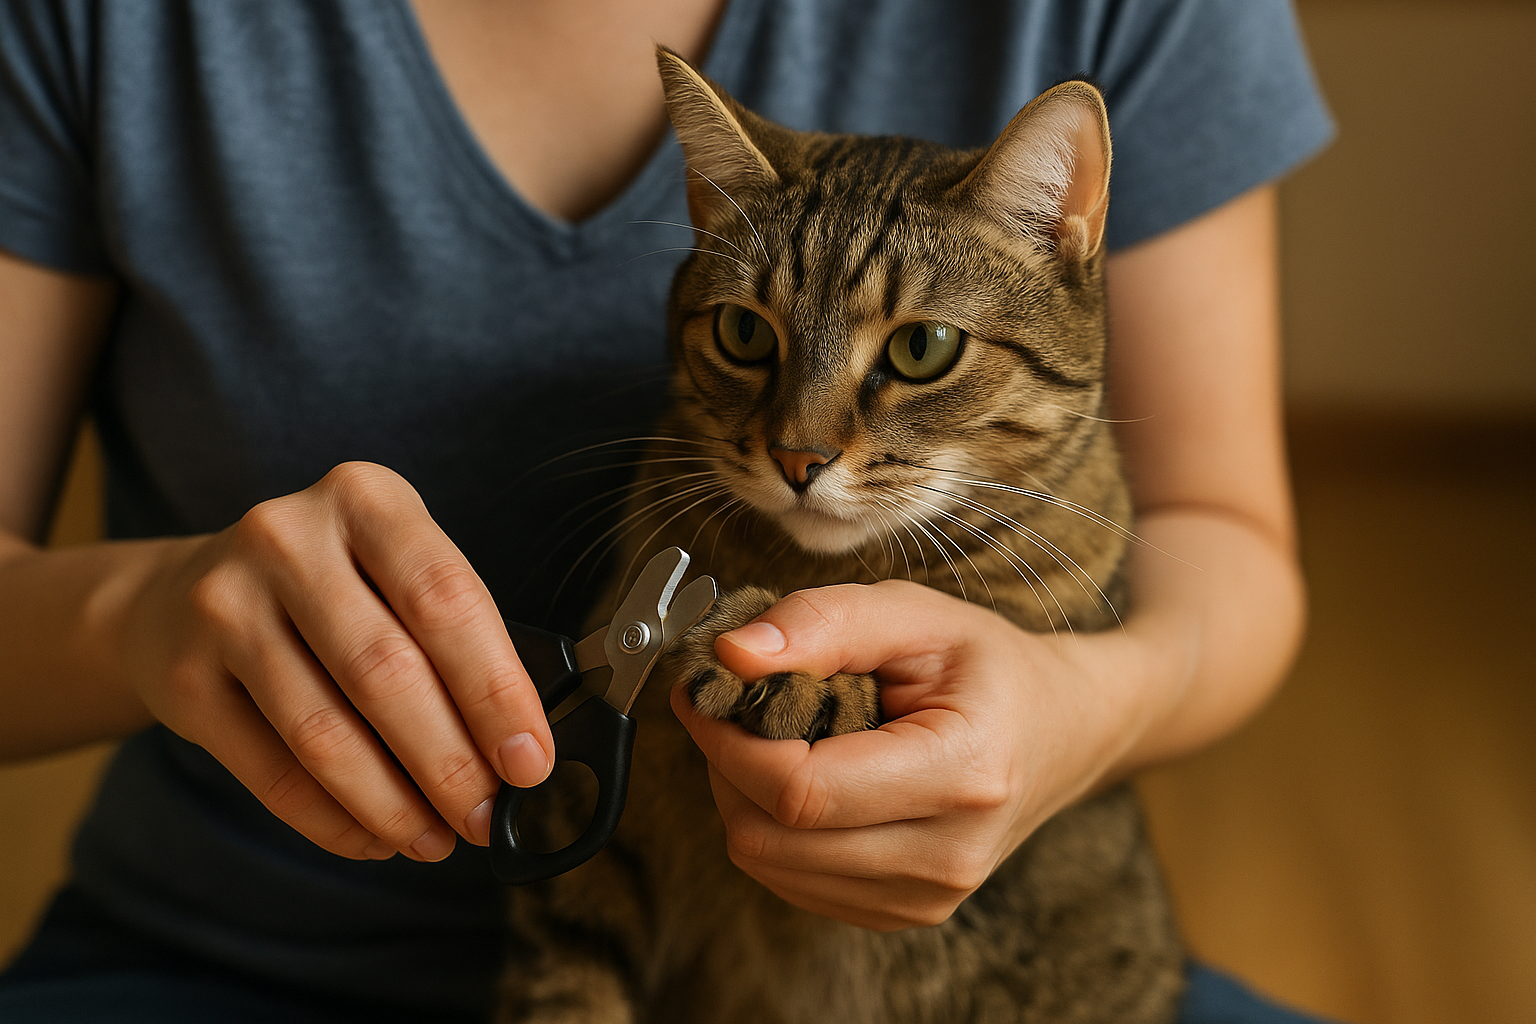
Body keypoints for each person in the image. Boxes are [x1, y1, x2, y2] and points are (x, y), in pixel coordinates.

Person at [0, 0, 1332, 1020]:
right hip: (242, 956)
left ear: (1064, 236)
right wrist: (139, 612)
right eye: (748, 340)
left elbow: (1227, 535)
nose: (805, 443)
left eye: (915, 357)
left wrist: (1088, 707)